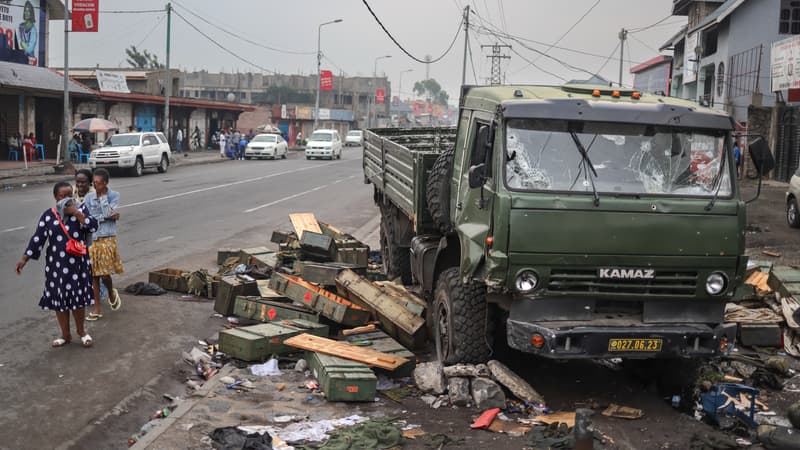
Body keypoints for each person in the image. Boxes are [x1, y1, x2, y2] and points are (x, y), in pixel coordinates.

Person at [15, 181, 98, 348]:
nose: (67, 200)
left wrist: (77, 214)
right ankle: (65, 335)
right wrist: (24, 259)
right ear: (55, 197)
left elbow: (93, 226)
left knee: (78, 299)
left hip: (78, 265)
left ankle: (81, 332)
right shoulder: (49, 215)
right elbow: (38, 238)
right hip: (56, 267)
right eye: (62, 196)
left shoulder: (81, 210)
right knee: (60, 300)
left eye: (70, 196)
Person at [83, 169, 123, 320]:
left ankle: (111, 292)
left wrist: (103, 199)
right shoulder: (88, 197)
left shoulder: (114, 195)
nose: (95, 186)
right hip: (92, 237)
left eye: (98, 183)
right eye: (94, 183)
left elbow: (107, 214)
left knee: (105, 274)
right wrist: (107, 217)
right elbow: (88, 218)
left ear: (105, 183)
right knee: (94, 274)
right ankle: (97, 308)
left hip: (107, 237)